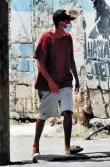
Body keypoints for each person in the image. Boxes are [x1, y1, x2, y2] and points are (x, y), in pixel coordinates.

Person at [32, 9, 83, 158]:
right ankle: (36, 145)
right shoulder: (46, 38)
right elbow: (40, 63)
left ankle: (67, 147)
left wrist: (76, 78)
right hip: (48, 84)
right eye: (67, 21)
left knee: (67, 112)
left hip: (65, 81)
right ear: (61, 23)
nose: (69, 24)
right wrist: (50, 82)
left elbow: (71, 59)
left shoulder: (68, 38)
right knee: (43, 115)